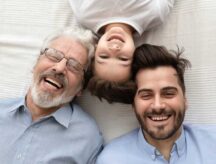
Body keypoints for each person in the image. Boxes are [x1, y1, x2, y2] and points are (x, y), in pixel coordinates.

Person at [96, 44, 216, 164]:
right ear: (134, 105)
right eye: (146, 95)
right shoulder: (111, 160)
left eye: (168, 94)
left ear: (185, 100)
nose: (158, 106)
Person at [0, 26, 103, 164]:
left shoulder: (89, 138)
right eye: (54, 56)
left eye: (74, 66)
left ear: (81, 88)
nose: (59, 68)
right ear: (36, 63)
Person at [69, 0, 175, 103]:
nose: (114, 49)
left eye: (104, 56)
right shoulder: (155, 14)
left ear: (95, 49)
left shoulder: (84, 15)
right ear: (136, 54)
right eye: (123, 58)